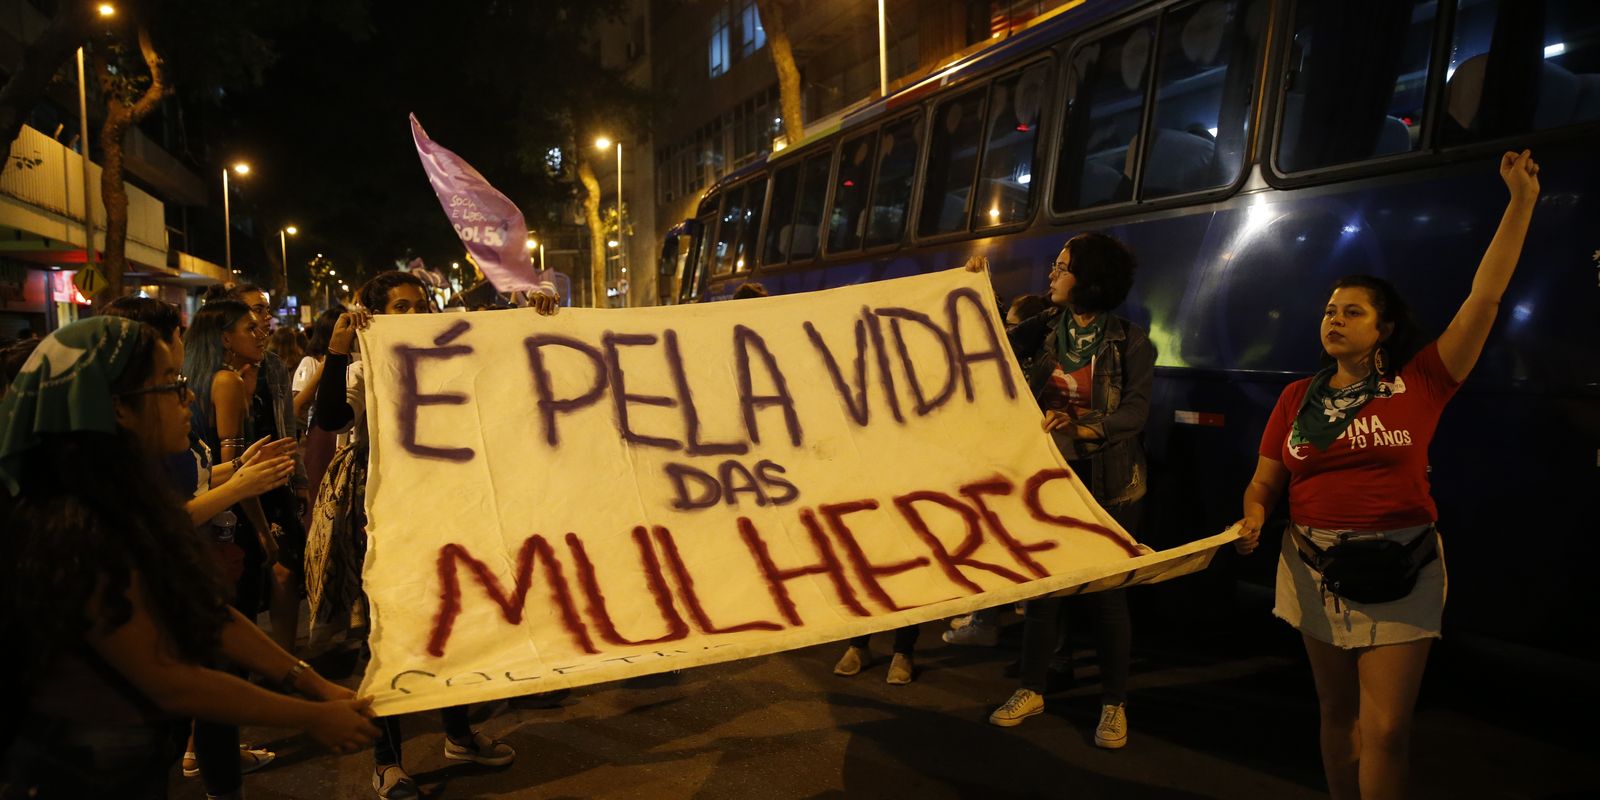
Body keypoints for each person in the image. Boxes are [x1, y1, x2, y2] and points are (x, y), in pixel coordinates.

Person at [1233, 151, 1540, 799]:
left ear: (1384, 329)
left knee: (1388, 729)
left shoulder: (1423, 380)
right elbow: (1265, 483)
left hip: (1402, 566)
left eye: (1352, 312)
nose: (1334, 320)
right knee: (1335, 713)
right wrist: (1255, 513)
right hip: (1312, 565)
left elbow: (1484, 299)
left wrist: (1520, 202)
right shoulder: (1296, 399)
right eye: (1329, 311)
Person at [0, 317, 378, 799]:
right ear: (116, 408)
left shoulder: (126, 493)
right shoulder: (73, 523)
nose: (190, 397)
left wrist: (313, 684)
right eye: (170, 385)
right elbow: (168, 679)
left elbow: (205, 610)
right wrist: (314, 716)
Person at [311, 271, 553, 799]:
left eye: (420, 305)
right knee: (390, 635)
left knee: (451, 622)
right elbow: (330, 418)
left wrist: (534, 317)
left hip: (444, 507)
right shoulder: (364, 369)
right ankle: (386, 762)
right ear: (373, 314)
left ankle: (458, 734)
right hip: (387, 517)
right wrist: (337, 350)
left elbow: (513, 371)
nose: (415, 315)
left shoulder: (451, 358)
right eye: (401, 307)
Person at [980, 233, 1152, 750]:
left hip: (1110, 485)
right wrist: (972, 288)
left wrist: (1082, 427)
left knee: (1107, 596)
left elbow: (1135, 413)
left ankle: (1114, 703)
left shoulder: (1130, 341)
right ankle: (1031, 689)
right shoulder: (1044, 328)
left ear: (1091, 278)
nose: (1052, 275)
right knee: (1043, 589)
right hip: (1048, 480)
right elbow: (985, 344)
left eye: (1062, 267)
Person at [221, 285, 311, 654]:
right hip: (230, 485)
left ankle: (285, 658)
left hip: (274, 480)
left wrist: (298, 479)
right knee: (241, 577)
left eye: (266, 310)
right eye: (257, 311)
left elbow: (286, 426)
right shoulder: (215, 374)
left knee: (285, 569)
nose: (265, 319)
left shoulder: (272, 365)